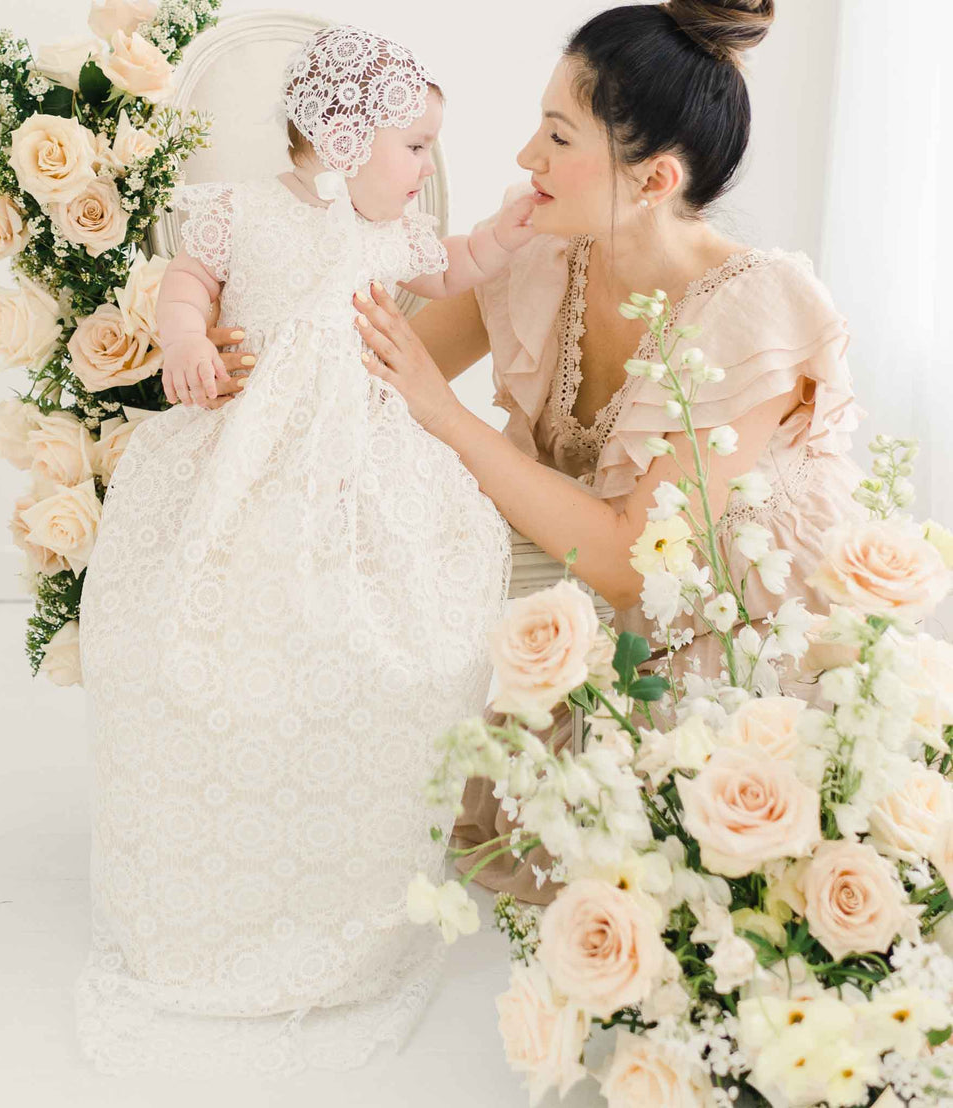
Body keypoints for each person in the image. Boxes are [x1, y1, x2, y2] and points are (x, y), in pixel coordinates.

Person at [74, 24, 535, 1076]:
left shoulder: (398, 229)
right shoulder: (241, 210)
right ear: (341, 135)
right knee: (202, 628)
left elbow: (457, 264)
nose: (425, 171)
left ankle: (344, 869)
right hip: (249, 449)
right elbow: (189, 280)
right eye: (413, 145)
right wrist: (187, 339)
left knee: (389, 631)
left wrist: (507, 231)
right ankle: (208, 875)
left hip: (364, 459)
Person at [341, 0, 869, 905]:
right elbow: (382, 362)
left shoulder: (758, 311)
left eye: (556, 136)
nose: (524, 159)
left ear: (656, 177)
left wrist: (446, 415)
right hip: (572, 583)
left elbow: (633, 565)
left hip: (720, 634)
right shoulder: (543, 247)